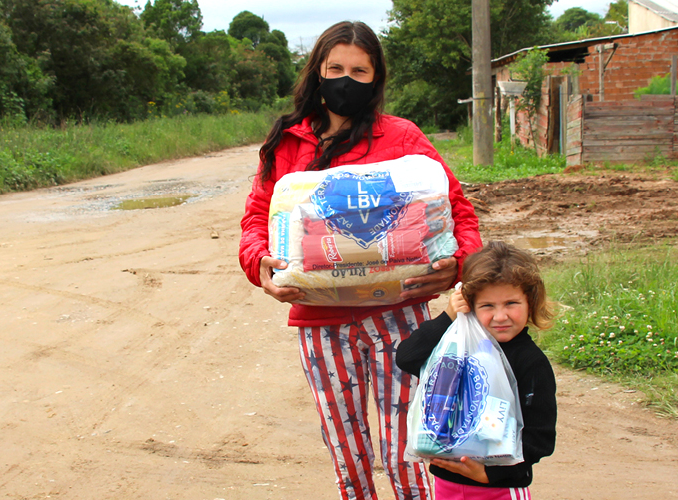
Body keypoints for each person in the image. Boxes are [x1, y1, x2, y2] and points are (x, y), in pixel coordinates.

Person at [238, 21, 482, 500]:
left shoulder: (403, 137)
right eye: (335, 69)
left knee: (408, 450)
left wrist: (461, 262)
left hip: (400, 316)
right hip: (320, 322)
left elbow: (456, 209)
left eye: (359, 71)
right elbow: (256, 219)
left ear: (376, 78)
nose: (345, 80)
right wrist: (259, 264)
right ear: (317, 72)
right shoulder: (288, 142)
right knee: (346, 454)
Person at [396, 241, 557, 500]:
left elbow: (540, 437)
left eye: (511, 303)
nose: (500, 316)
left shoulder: (531, 362)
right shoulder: (457, 348)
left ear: (531, 301)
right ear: (469, 305)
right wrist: (449, 315)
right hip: (446, 483)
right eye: (487, 306)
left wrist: (490, 474)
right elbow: (407, 357)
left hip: (499, 488)